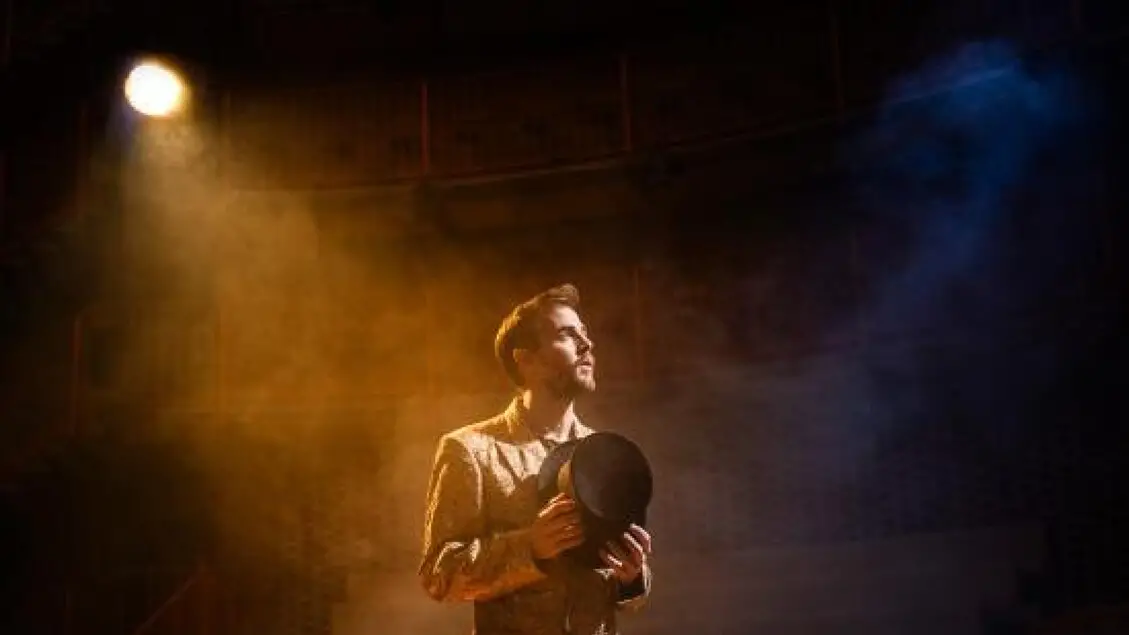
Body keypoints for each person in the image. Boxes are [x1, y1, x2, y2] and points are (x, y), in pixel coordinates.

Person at [418, 283, 654, 634]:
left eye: (584, 332)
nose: (587, 344)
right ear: (525, 359)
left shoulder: (604, 454)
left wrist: (632, 577)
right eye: (566, 334)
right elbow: (439, 575)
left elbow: (625, 592)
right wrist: (529, 546)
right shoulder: (471, 449)